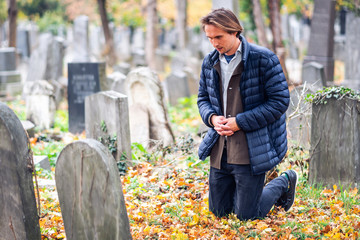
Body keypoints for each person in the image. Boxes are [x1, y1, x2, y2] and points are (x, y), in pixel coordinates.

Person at [197, 8, 297, 220]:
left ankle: (284, 181)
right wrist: (212, 118)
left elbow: (279, 102)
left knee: (247, 217)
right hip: (220, 146)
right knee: (219, 213)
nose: (214, 43)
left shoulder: (264, 59)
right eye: (209, 38)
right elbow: (202, 99)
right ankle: (241, 196)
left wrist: (239, 122)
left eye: (218, 37)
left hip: (251, 148)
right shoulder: (209, 61)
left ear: (234, 32)